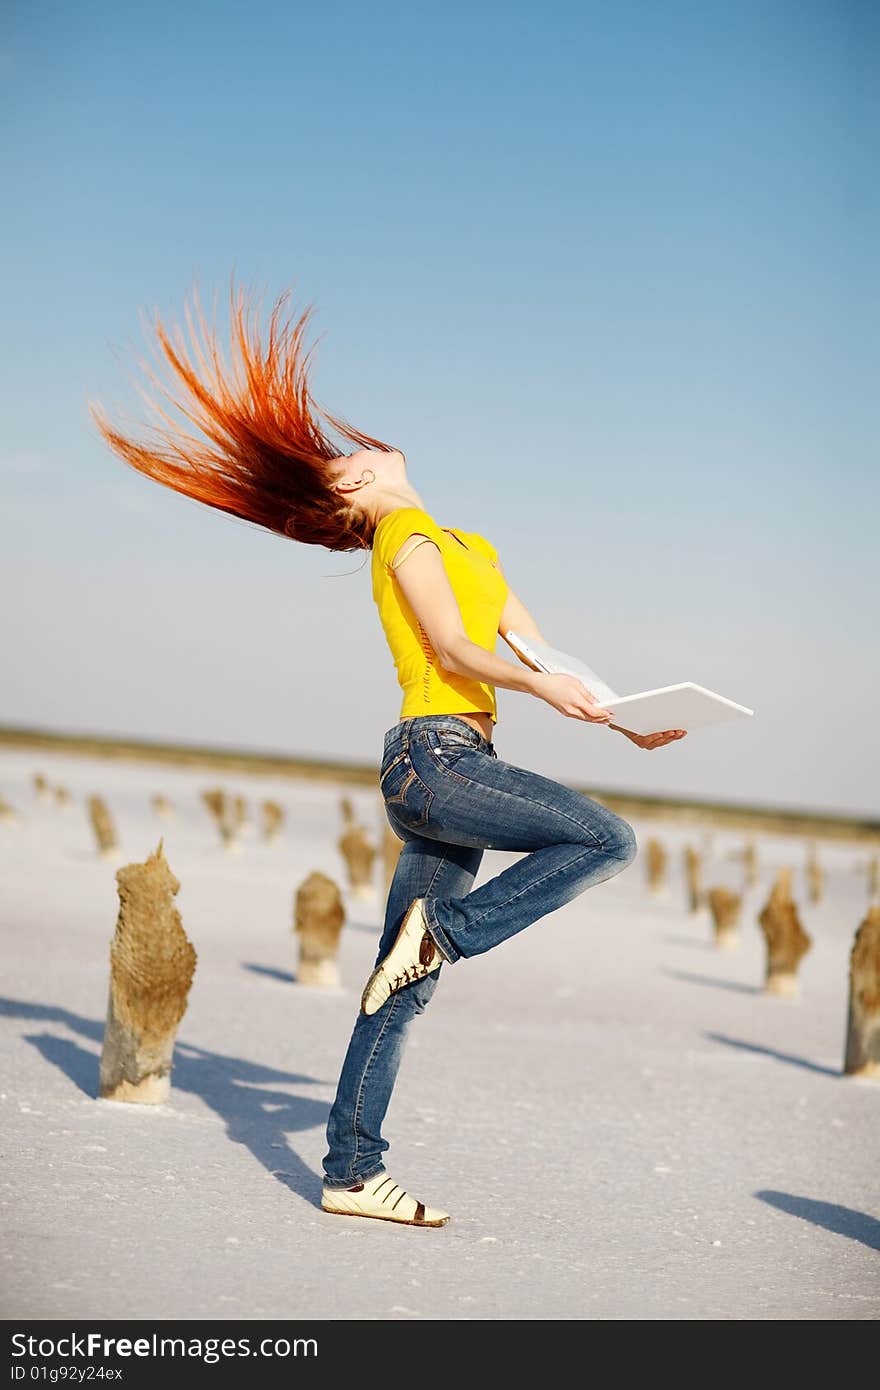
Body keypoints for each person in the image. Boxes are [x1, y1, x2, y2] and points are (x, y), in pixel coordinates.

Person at [90, 279, 686, 1230]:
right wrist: (539, 692)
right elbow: (454, 653)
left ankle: (350, 1172)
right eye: (347, 457)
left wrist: (622, 718)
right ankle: (443, 936)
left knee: (396, 990)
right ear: (352, 492)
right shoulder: (399, 531)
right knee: (607, 841)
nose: (359, 448)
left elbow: (537, 651)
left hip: (453, 768)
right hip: (437, 759)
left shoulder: (466, 541)